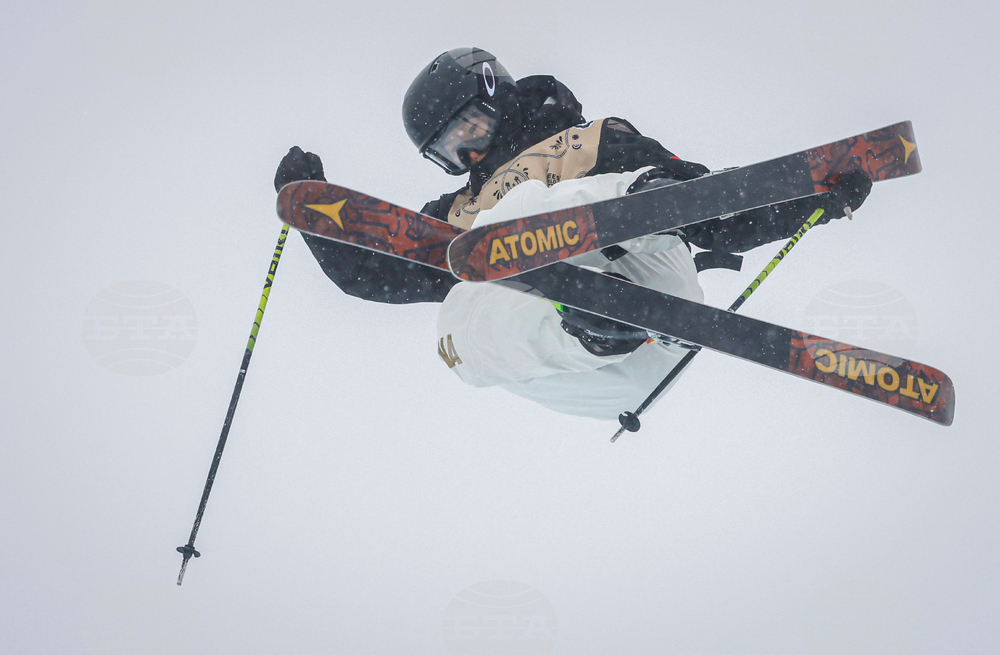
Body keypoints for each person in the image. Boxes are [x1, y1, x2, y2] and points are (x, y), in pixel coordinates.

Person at [274, 47, 871, 420]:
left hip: (652, 285)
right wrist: (318, 212)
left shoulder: (587, 142)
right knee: (453, 323)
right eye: (453, 151)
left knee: (530, 201)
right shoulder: (458, 212)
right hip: (600, 376)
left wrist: (809, 198)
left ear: (496, 96)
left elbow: (717, 213)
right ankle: (591, 325)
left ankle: (633, 217)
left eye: (471, 127)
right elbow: (372, 274)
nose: (473, 150)